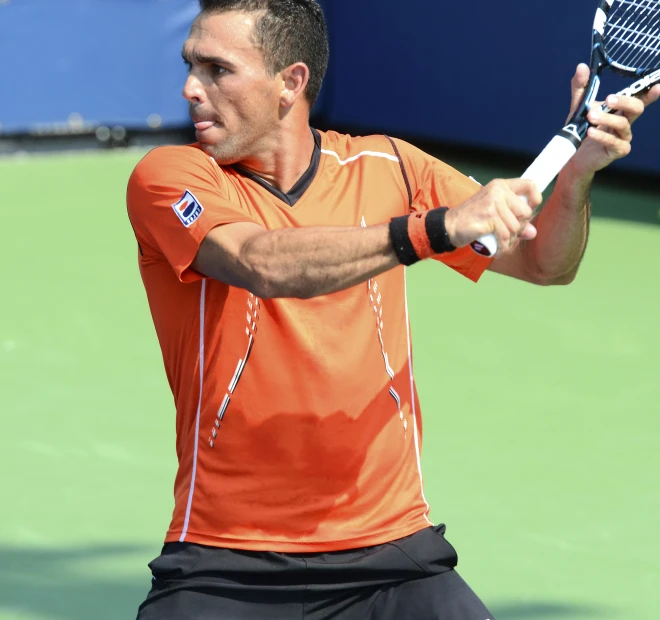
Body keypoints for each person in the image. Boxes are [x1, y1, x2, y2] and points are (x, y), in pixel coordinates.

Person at [126, 1, 659, 618]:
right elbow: (262, 263)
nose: (191, 88)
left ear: (290, 83)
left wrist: (579, 175)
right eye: (191, 64)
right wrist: (435, 228)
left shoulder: (392, 166)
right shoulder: (171, 175)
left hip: (391, 552)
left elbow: (545, 264)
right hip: (225, 561)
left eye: (218, 70)